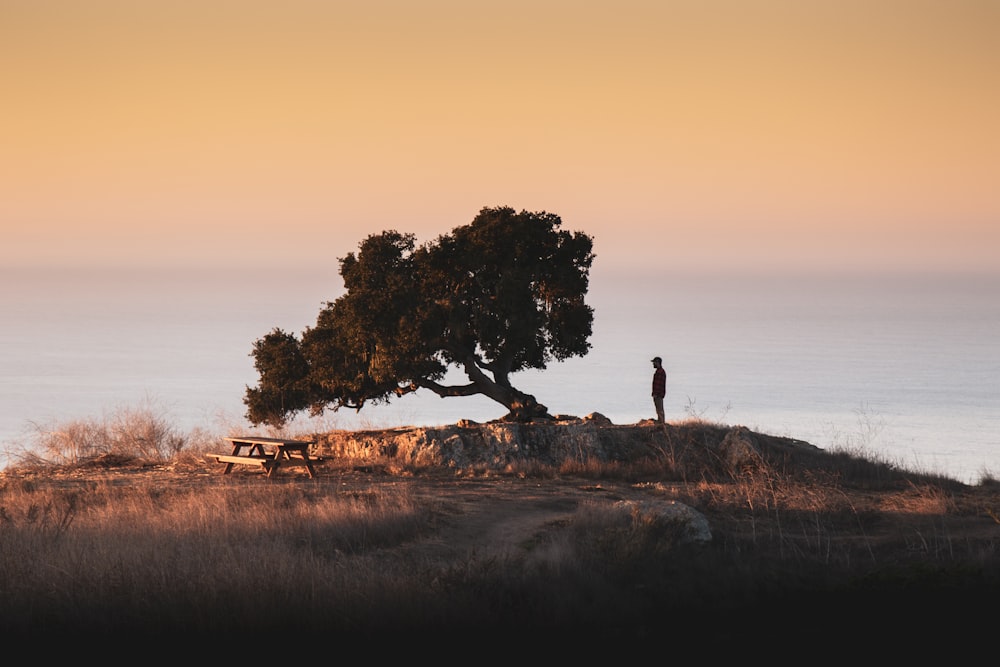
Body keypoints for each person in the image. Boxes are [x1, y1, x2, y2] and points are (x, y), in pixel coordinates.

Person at [651, 356, 666, 424]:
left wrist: (656, 394)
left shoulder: (660, 372)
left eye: (654, 362)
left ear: (658, 363)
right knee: (658, 409)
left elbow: (659, 385)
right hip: (657, 394)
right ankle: (660, 421)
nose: (653, 364)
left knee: (660, 409)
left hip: (658, 394)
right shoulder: (659, 371)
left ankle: (661, 422)